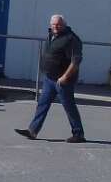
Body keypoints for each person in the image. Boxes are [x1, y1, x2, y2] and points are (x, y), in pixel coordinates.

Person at [18, 14, 86, 144]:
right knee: (42, 104)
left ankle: (78, 134)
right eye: (53, 24)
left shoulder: (71, 39)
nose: (56, 26)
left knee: (69, 106)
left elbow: (76, 61)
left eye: (59, 24)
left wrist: (65, 77)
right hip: (49, 79)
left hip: (63, 81)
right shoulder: (51, 35)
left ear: (64, 25)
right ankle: (33, 131)